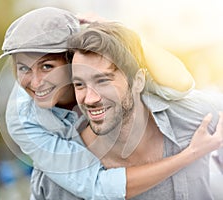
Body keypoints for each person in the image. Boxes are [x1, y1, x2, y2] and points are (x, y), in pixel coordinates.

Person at [0, 7, 221, 199]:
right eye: (23, 68)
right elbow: (97, 185)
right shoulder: (23, 120)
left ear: (72, 59)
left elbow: (180, 84)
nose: (36, 82)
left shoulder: (115, 65)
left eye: (47, 67)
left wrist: (124, 33)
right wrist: (189, 155)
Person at [66, 21, 223, 199]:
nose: (90, 98)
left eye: (103, 81)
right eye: (79, 84)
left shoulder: (192, 117)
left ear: (138, 81)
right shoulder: (67, 168)